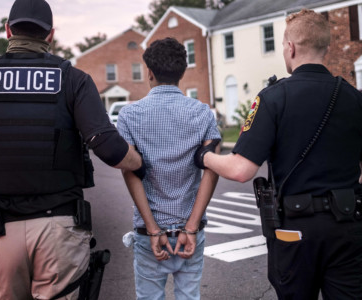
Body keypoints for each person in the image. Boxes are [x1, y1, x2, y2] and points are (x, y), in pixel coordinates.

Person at [0, 0, 144, 299]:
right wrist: (139, 162)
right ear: (50, 35)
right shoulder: (73, 80)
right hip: (59, 228)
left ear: (8, 30)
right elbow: (110, 149)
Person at [195, 8, 362, 300]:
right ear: (326, 46)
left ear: (290, 47)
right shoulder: (354, 97)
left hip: (295, 230)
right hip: (349, 226)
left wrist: (204, 157)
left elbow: (240, 170)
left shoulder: (273, 98)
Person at [118, 37, 221, 300]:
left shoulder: (129, 116)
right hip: (190, 230)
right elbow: (212, 169)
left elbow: (130, 172)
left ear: (149, 72)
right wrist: (191, 228)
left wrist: (153, 230)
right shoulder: (203, 113)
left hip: (149, 232)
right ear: (182, 72)